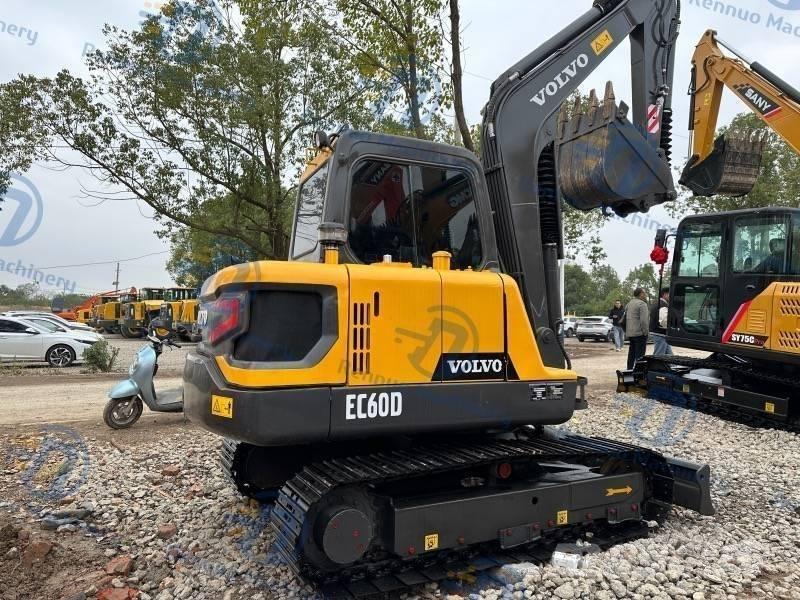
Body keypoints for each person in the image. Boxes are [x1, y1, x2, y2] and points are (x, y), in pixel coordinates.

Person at [625, 288, 650, 369]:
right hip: (640, 333)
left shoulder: (629, 303)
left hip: (630, 333)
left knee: (631, 353)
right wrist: (646, 332)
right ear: (641, 294)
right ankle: (639, 373)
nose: (645, 294)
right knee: (640, 356)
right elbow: (644, 321)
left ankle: (629, 370)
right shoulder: (642, 304)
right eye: (644, 293)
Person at [651, 288, 673, 356]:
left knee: (669, 355)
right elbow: (664, 321)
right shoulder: (662, 304)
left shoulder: (658, 303)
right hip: (660, 334)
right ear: (665, 294)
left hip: (660, 334)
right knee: (659, 355)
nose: (671, 296)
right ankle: (654, 366)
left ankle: (670, 366)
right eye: (670, 294)